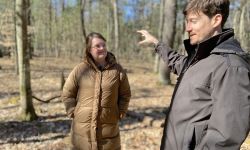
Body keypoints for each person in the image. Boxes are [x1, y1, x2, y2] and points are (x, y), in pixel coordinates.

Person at [137, 0, 250, 149]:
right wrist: (156, 43)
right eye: (186, 21)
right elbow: (177, 61)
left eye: (193, 21)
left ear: (216, 20)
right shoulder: (201, 58)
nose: (187, 28)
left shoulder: (231, 67)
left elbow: (225, 138)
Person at [61, 32, 131, 150]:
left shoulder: (118, 70)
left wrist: (121, 112)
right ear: (89, 49)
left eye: (103, 45)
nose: (102, 48)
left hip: (108, 130)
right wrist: (73, 112)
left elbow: (125, 94)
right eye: (97, 46)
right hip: (82, 132)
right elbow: (67, 93)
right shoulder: (80, 69)